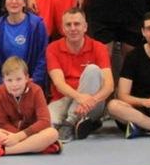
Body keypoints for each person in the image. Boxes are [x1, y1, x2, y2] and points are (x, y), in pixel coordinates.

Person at [46, 8, 113, 141]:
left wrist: (91, 100)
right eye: (68, 25)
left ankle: (70, 121)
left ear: (85, 27)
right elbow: (59, 84)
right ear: (63, 28)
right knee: (47, 124)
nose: (73, 28)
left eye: (77, 24)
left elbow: (109, 86)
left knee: (92, 70)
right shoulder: (52, 48)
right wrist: (80, 98)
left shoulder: (99, 47)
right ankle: (85, 123)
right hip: (64, 99)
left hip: (93, 102)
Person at [0, 57, 61, 158]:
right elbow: (2, 123)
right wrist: (16, 136)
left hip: (33, 132)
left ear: (27, 78)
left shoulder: (36, 91)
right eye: (9, 80)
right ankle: (39, 147)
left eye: (19, 79)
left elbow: (44, 121)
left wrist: (19, 137)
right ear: (3, 80)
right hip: (12, 134)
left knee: (52, 133)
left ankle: (4, 150)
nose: (14, 84)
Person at [0, 0, 48, 92]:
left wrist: (34, 81)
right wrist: (0, 82)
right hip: (4, 84)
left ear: (24, 2)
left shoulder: (37, 24)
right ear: (5, 3)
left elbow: (43, 56)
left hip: (31, 84)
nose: (14, 2)